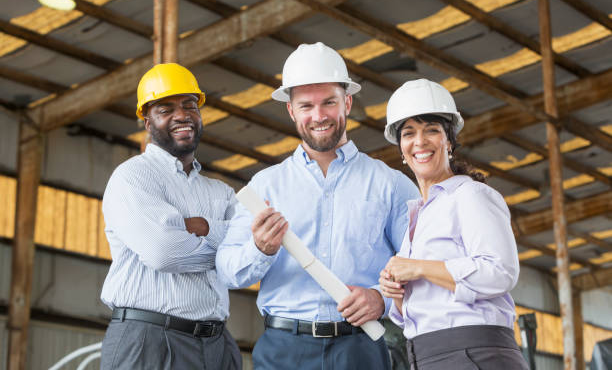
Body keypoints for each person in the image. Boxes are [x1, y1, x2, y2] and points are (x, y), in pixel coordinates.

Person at [216, 42, 420, 369]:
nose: (319, 115)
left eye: (329, 102)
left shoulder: (391, 185)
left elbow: (422, 263)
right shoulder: (266, 186)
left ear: (347, 102)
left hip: (361, 347)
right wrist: (259, 248)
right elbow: (227, 270)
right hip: (283, 350)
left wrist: (381, 299)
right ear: (291, 110)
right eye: (306, 105)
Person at [99, 63, 241, 370]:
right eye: (166, 109)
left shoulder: (221, 192)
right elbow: (164, 253)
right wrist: (227, 244)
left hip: (217, 343)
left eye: (190, 105)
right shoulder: (133, 177)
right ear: (147, 122)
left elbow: (253, 249)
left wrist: (203, 228)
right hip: (149, 340)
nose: (182, 115)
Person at [379, 79, 528, 369]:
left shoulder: (470, 195)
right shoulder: (418, 214)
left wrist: (419, 267)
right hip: (425, 354)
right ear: (401, 148)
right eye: (409, 133)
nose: (419, 141)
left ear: (449, 142)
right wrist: (397, 291)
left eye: (431, 131)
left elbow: (501, 271)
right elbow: (429, 306)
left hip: (473, 353)